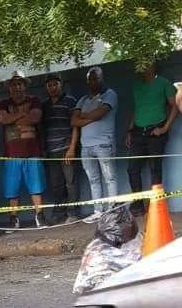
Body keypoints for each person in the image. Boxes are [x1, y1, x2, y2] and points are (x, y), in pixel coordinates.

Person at [125, 62, 178, 213]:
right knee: (132, 169)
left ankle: (156, 207)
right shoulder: (136, 86)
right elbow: (136, 109)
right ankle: (137, 205)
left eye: (147, 63)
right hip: (137, 131)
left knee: (155, 168)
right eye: (140, 64)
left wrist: (164, 128)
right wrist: (129, 131)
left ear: (154, 66)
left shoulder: (163, 83)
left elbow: (174, 106)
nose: (143, 67)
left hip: (155, 131)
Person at [0, 73, 45, 229]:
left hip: (33, 152)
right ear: (9, 87)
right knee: (12, 188)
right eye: (13, 84)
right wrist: (23, 114)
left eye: (19, 84)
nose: (16, 87)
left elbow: (35, 118)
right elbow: (1, 119)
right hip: (11, 154)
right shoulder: (3, 103)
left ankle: (40, 217)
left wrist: (13, 118)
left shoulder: (34, 100)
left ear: (25, 86)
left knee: (36, 186)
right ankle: (13, 219)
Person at [71, 67, 119, 222]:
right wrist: (92, 117)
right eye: (90, 79)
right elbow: (73, 121)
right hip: (86, 146)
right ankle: (98, 211)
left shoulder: (110, 95)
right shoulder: (83, 100)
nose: (93, 82)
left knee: (109, 178)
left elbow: (100, 113)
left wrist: (85, 117)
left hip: (104, 144)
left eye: (96, 78)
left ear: (102, 78)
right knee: (93, 180)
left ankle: (113, 211)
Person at [73, 204, 142, 294]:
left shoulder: (94, 245)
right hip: (99, 291)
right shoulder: (107, 252)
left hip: (89, 289)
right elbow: (136, 262)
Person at [41, 74, 79, 224]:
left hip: (66, 148)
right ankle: (59, 213)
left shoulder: (70, 101)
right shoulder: (44, 105)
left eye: (55, 84)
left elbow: (75, 125)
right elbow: (42, 128)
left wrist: (72, 148)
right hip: (51, 151)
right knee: (56, 184)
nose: (52, 88)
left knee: (71, 182)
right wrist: (44, 148)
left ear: (61, 84)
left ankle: (73, 213)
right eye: (49, 85)